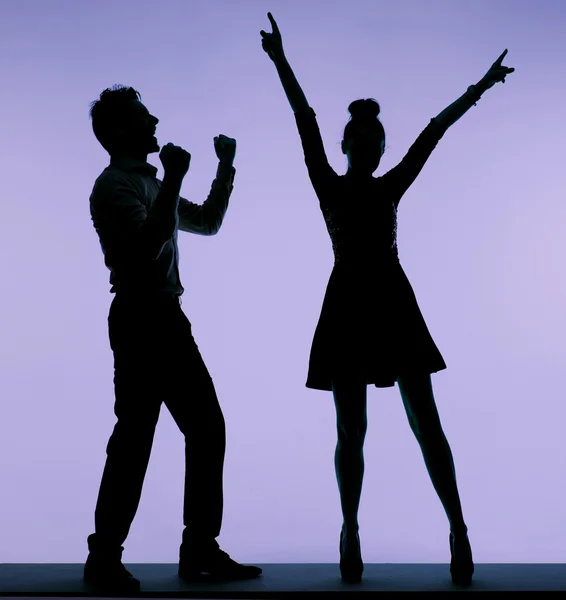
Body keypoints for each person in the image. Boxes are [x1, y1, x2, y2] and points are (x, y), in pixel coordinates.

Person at [260, 12, 514, 586]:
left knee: (426, 422)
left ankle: (459, 526)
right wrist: (280, 60)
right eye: (364, 141)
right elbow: (304, 120)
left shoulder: (391, 183)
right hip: (348, 306)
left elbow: (434, 131)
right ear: (348, 144)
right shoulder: (327, 182)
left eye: (378, 142)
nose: (372, 147)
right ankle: (350, 530)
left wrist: (479, 87)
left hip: (393, 304)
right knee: (352, 428)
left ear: (379, 146)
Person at [85, 85, 262, 593]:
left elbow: (205, 222)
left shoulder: (146, 181)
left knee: (203, 429)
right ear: (120, 130)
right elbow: (144, 249)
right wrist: (179, 176)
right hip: (143, 319)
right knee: (135, 440)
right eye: (144, 116)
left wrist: (223, 166)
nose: (155, 119)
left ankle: (198, 550)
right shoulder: (113, 186)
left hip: (164, 317)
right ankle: (106, 557)